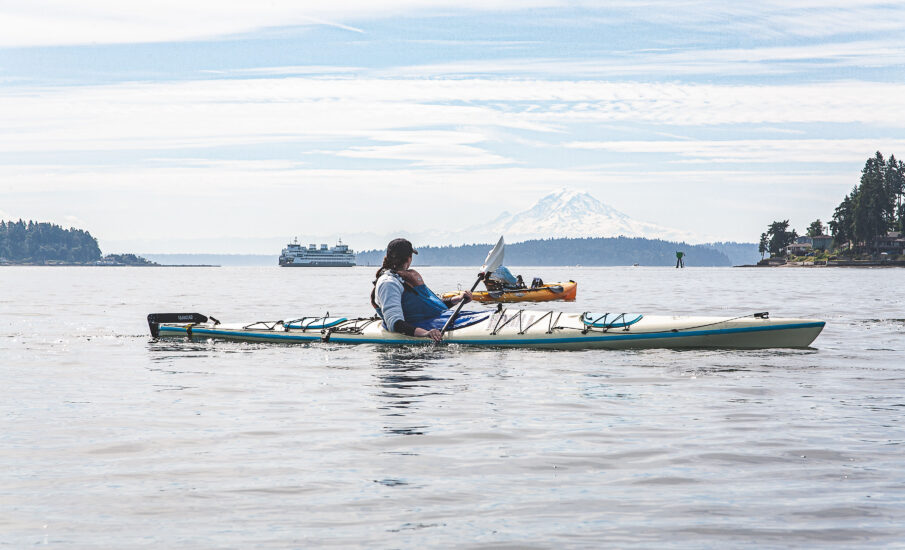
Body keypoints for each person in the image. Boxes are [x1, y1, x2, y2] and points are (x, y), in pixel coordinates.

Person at [370, 238, 472, 342]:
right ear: (409, 258)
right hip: (416, 327)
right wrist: (426, 333)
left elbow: (432, 306)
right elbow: (395, 323)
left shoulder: (404, 277)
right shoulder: (389, 283)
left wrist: (458, 298)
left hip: (432, 320)